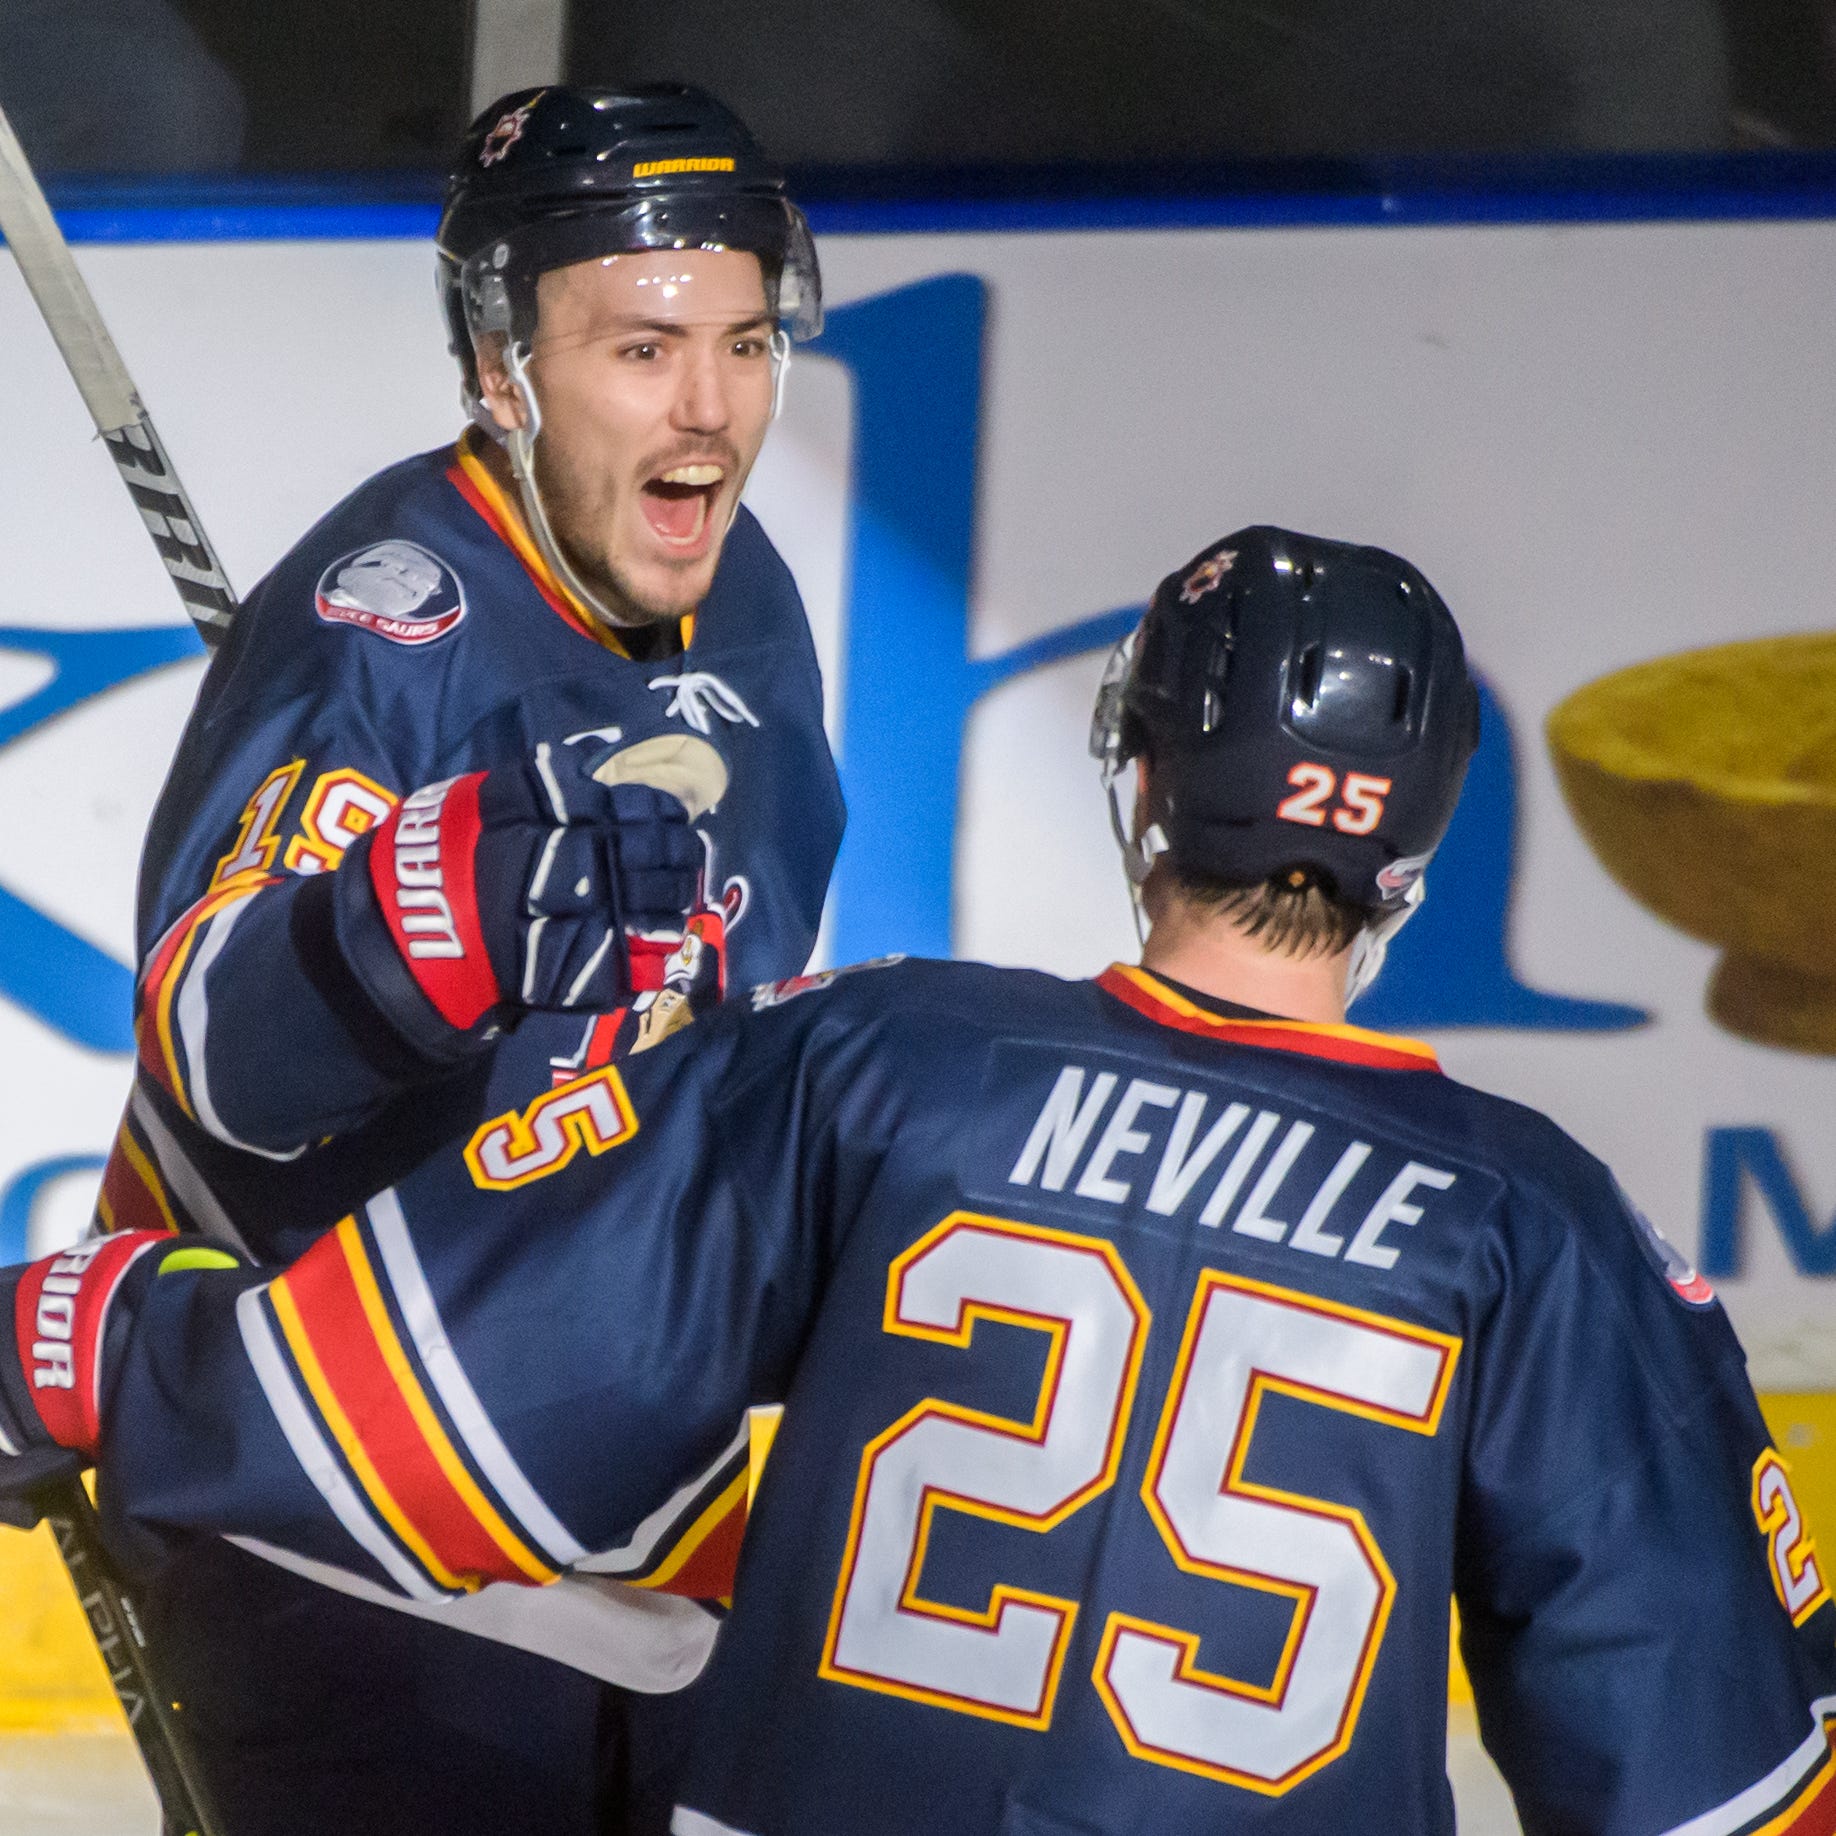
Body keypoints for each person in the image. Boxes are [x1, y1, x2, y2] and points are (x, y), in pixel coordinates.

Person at [10, 526, 1832, 1833]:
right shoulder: (1539, 1226)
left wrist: (105, 1343)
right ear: (1422, 847)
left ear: (1138, 783)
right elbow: (1720, 1774)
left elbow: (433, 1406)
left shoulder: (883, 1068)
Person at [89, 83, 844, 1836]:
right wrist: (408, 930)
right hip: (346, 1497)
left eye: (742, 344)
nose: (714, 413)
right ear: (500, 362)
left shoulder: (748, 602)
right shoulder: (383, 629)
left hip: (618, 1481)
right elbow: (211, 1048)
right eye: (645, 353)